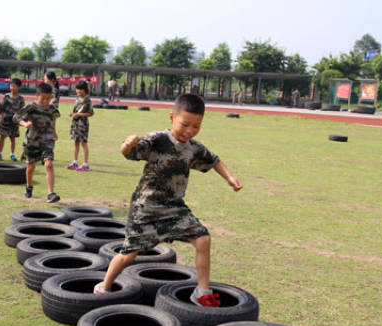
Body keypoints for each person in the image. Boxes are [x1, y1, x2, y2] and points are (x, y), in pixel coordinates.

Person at [93, 94, 243, 306]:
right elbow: (129, 152)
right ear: (172, 118)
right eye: (185, 124)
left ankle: (202, 292)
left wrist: (230, 177)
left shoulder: (193, 148)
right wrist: (127, 144)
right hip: (146, 208)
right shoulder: (157, 140)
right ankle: (104, 286)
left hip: (174, 209)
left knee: (203, 239)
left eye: (196, 126)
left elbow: (214, 160)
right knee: (129, 254)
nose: (190, 131)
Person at [14, 82, 61, 203]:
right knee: (31, 166)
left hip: (47, 139)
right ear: (37, 95)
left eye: (48, 98)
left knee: (49, 163)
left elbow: (53, 119)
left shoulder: (52, 109)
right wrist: (25, 124)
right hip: (32, 140)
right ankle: (29, 187)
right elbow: (16, 117)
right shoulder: (31, 107)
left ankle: (51, 193)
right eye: (43, 98)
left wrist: (54, 132)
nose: (46, 101)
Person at [67, 80, 94, 171]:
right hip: (75, 124)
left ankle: (85, 164)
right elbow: (76, 111)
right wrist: (73, 114)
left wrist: (78, 115)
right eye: (77, 90)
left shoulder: (87, 99)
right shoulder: (77, 99)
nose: (78, 92)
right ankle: (75, 162)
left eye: (80, 90)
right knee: (76, 143)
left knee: (84, 143)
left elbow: (91, 113)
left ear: (85, 90)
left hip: (83, 125)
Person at [0, 78, 24, 162]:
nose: (12, 87)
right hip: (5, 121)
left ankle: (12, 154)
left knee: (12, 138)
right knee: (2, 137)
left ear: (19, 87)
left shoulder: (20, 99)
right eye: (11, 85)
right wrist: (1, 117)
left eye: (14, 86)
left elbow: (22, 111)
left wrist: (21, 120)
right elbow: (0, 108)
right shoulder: (6, 96)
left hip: (14, 122)